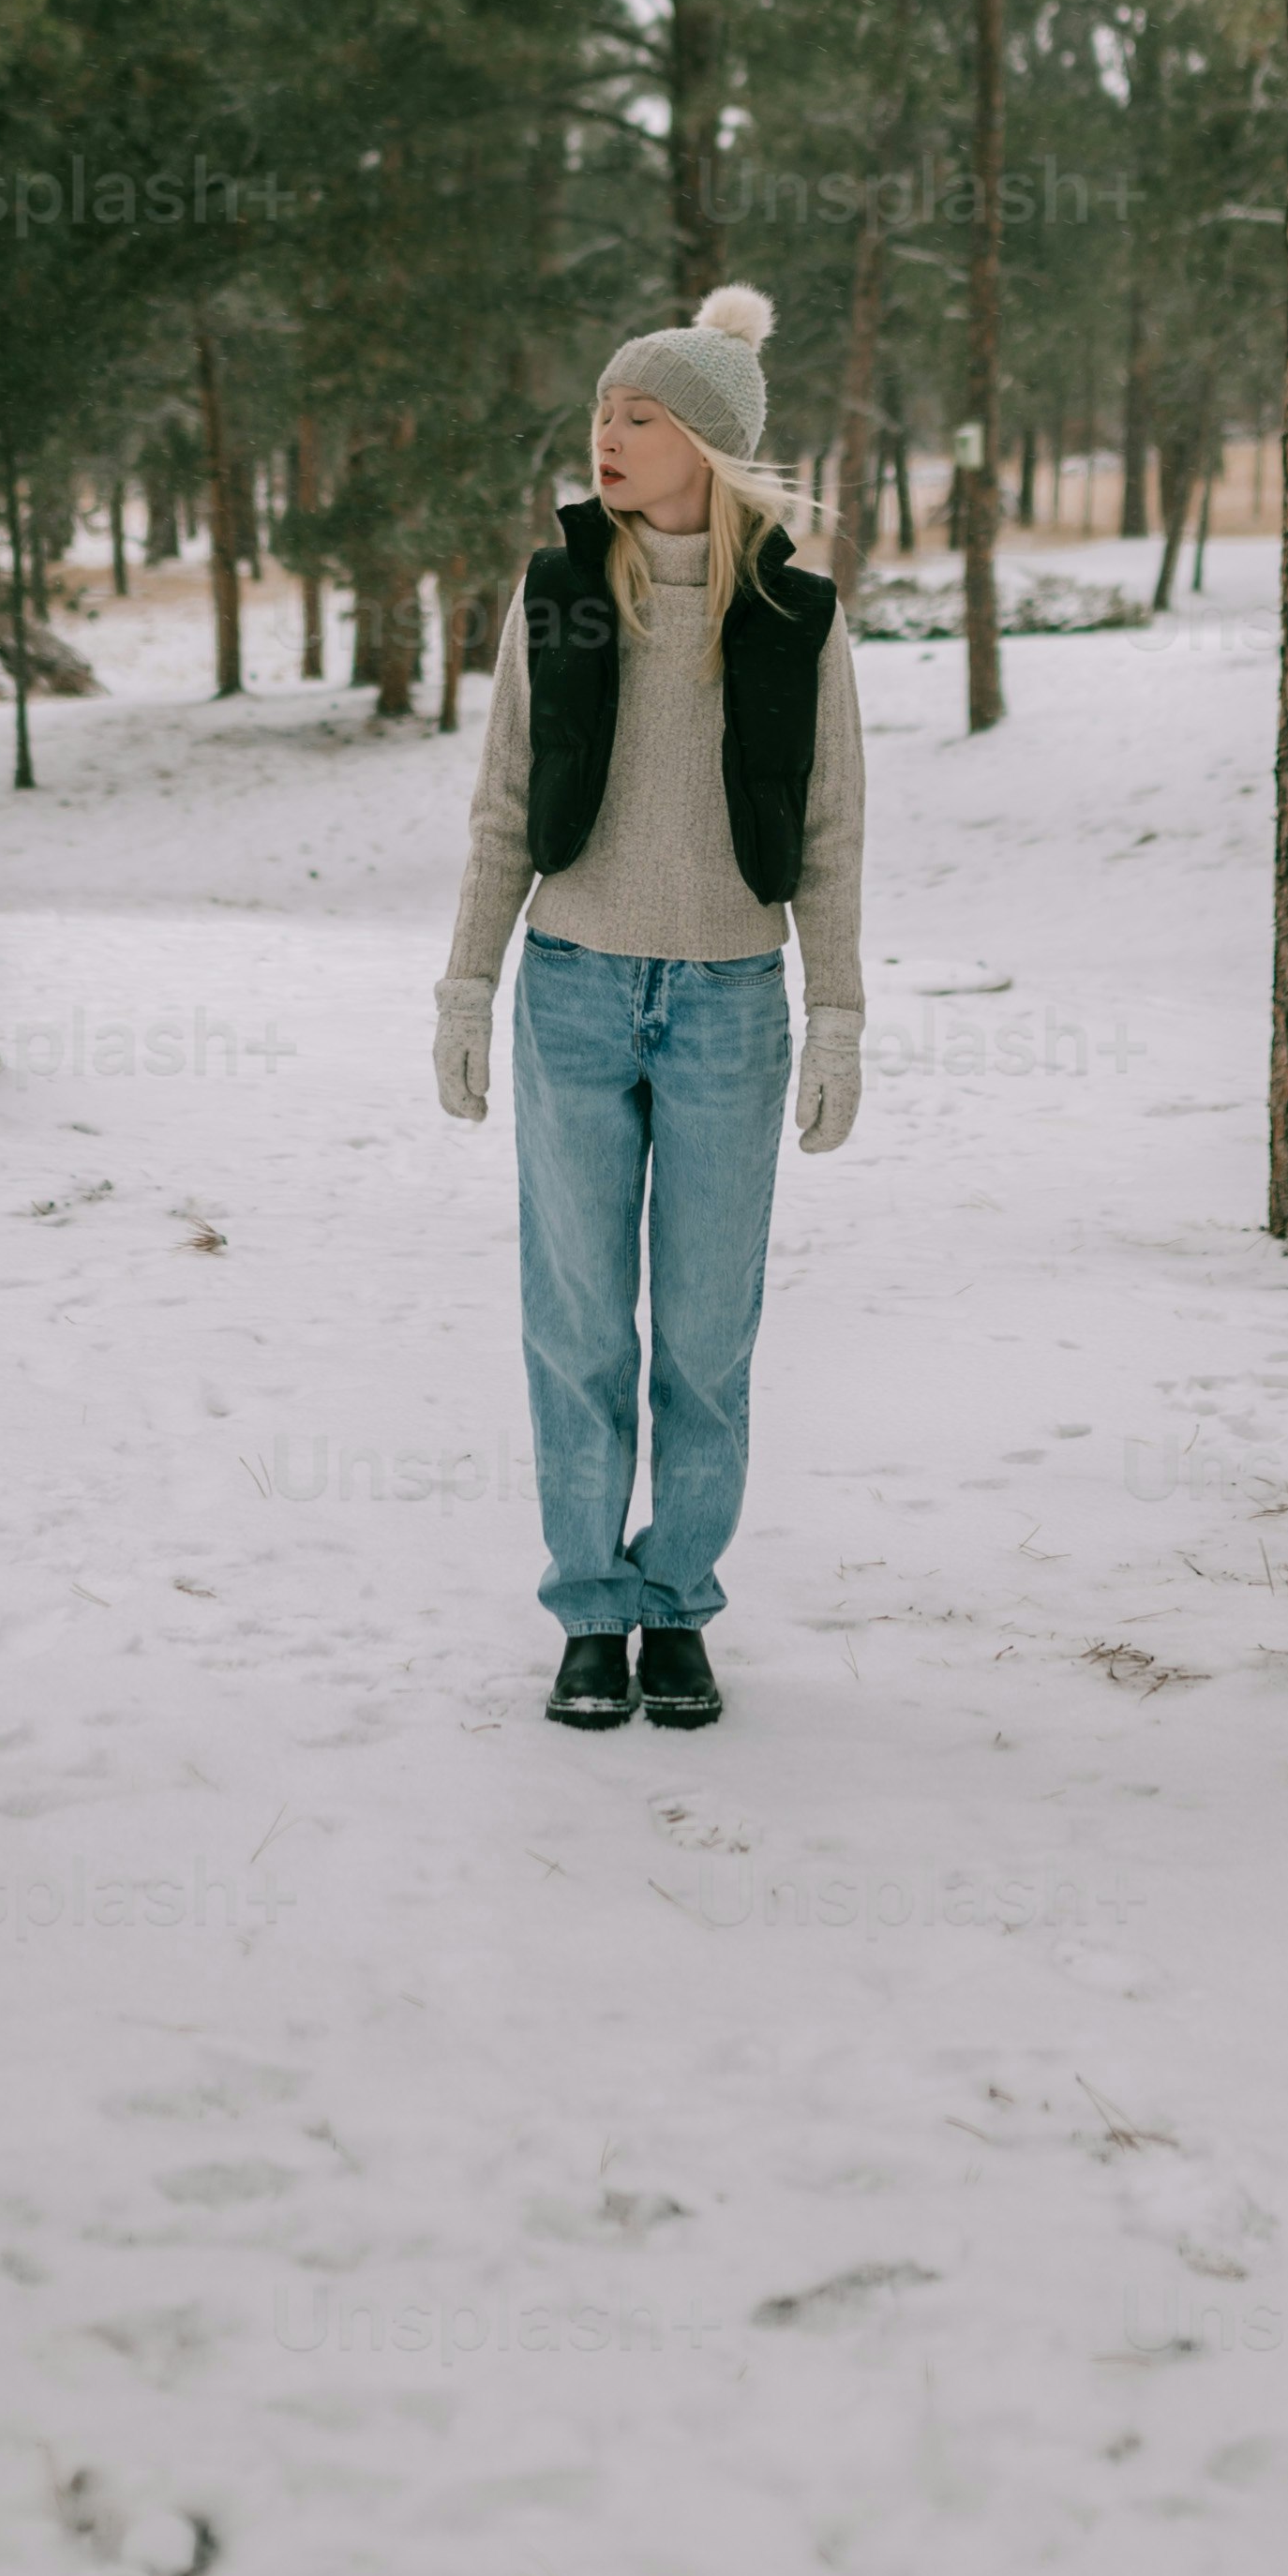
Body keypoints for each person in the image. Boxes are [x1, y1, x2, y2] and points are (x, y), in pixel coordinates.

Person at [434, 281, 865, 1734]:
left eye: (638, 416)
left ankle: (675, 1603)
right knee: (576, 1328)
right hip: (570, 991)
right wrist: (467, 984)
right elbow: (504, 804)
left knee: (704, 1335)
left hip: (733, 1004)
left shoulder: (795, 614)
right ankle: (588, 1609)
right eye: (602, 412)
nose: (604, 436)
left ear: (710, 444)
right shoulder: (559, 593)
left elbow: (830, 833)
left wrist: (841, 1016)